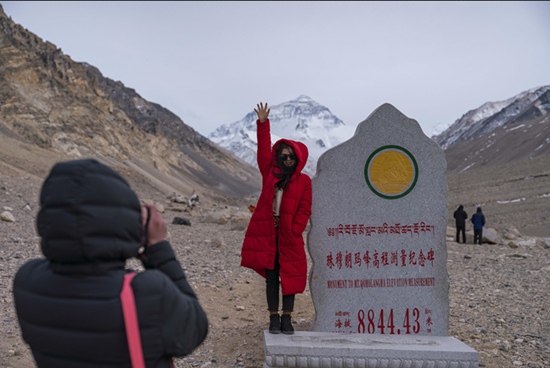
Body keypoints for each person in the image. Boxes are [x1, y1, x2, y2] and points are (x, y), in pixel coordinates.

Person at [13, 159, 208, 368]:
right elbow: (195, 328)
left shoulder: (27, 281)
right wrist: (156, 247)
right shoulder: (146, 292)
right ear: (123, 222)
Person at [240, 102, 312, 335]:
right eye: (283, 155)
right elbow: (263, 149)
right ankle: (273, 318)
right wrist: (263, 124)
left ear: (298, 157)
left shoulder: (304, 181)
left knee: (289, 276)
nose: (287, 159)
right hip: (269, 234)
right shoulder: (269, 172)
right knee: (272, 278)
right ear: (278, 156)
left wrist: (295, 228)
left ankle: (287, 319)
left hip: (289, 235)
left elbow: (305, 207)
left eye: (291, 156)